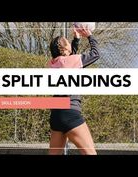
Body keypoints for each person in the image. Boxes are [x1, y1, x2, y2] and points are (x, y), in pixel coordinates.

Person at [47, 26, 100, 155]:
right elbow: (95, 54)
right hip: (70, 114)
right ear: (65, 48)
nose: (70, 43)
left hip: (56, 116)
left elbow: (69, 60)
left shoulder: (52, 64)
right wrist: (89, 36)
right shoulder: (71, 61)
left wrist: (76, 40)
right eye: (68, 42)